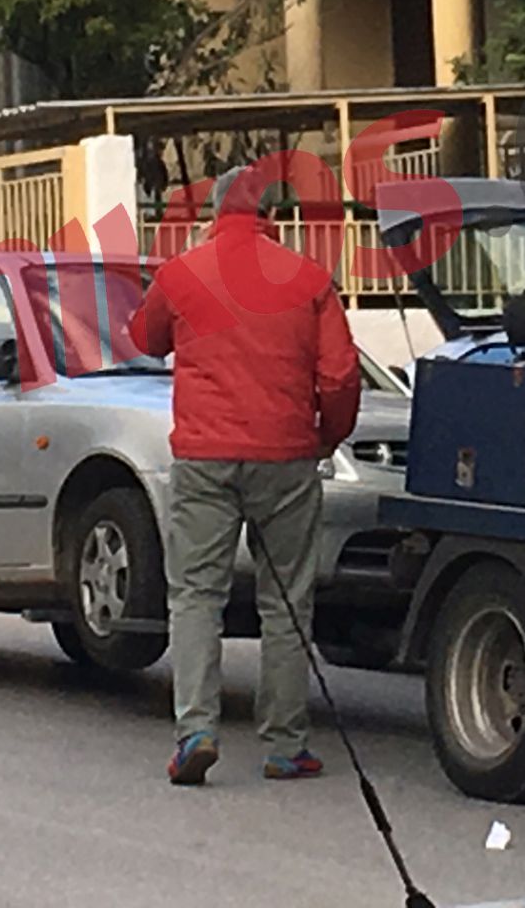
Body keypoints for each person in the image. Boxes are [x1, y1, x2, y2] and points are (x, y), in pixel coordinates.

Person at [129, 161, 362, 786]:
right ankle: (285, 744)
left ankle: (197, 731)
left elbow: (145, 339)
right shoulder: (309, 279)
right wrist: (325, 436)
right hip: (285, 457)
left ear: (214, 213)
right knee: (287, 601)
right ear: (271, 216)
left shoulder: (182, 274)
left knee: (197, 595)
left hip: (205, 457)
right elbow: (340, 376)